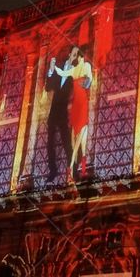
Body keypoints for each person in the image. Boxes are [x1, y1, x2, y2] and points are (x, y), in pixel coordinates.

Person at [52, 50, 93, 180]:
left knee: (82, 133)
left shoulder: (86, 66)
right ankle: (75, 166)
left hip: (82, 101)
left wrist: (86, 84)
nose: (74, 58)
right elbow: (63, 73)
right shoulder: (74, 69)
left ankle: (73, 166)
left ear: (81, 57)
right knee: (76, 134)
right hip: (76, 103)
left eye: (76, 56)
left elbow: (90, 78)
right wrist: (54, 67)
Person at [44, 47, 77, 183]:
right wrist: (51, 70)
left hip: (64, 112)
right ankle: (53, 170)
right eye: (72, 54)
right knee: (50, 142)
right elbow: (48, 87)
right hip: (54, 112)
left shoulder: (74, 72)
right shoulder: (58, 71)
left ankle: (73, 168)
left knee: (66, 142)